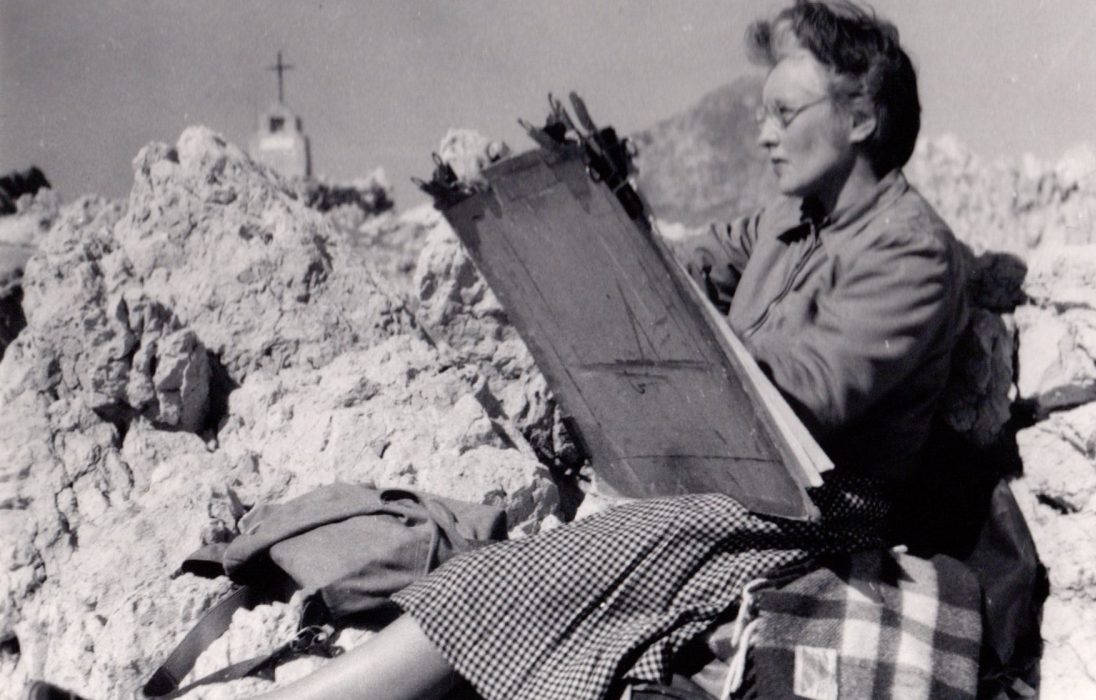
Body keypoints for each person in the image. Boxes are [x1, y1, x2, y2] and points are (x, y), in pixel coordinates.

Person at [258, 2, 968, 699]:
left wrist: (691, 350)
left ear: (862, 118)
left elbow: (815, 391)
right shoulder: (789, 215)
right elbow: (685, 268)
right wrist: (594, 242)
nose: (764, 136)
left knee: (547, 573)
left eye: (786, 115)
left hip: (823, 515)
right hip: (738, 477)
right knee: (548, 564)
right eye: (762, 115)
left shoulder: (910, 247)